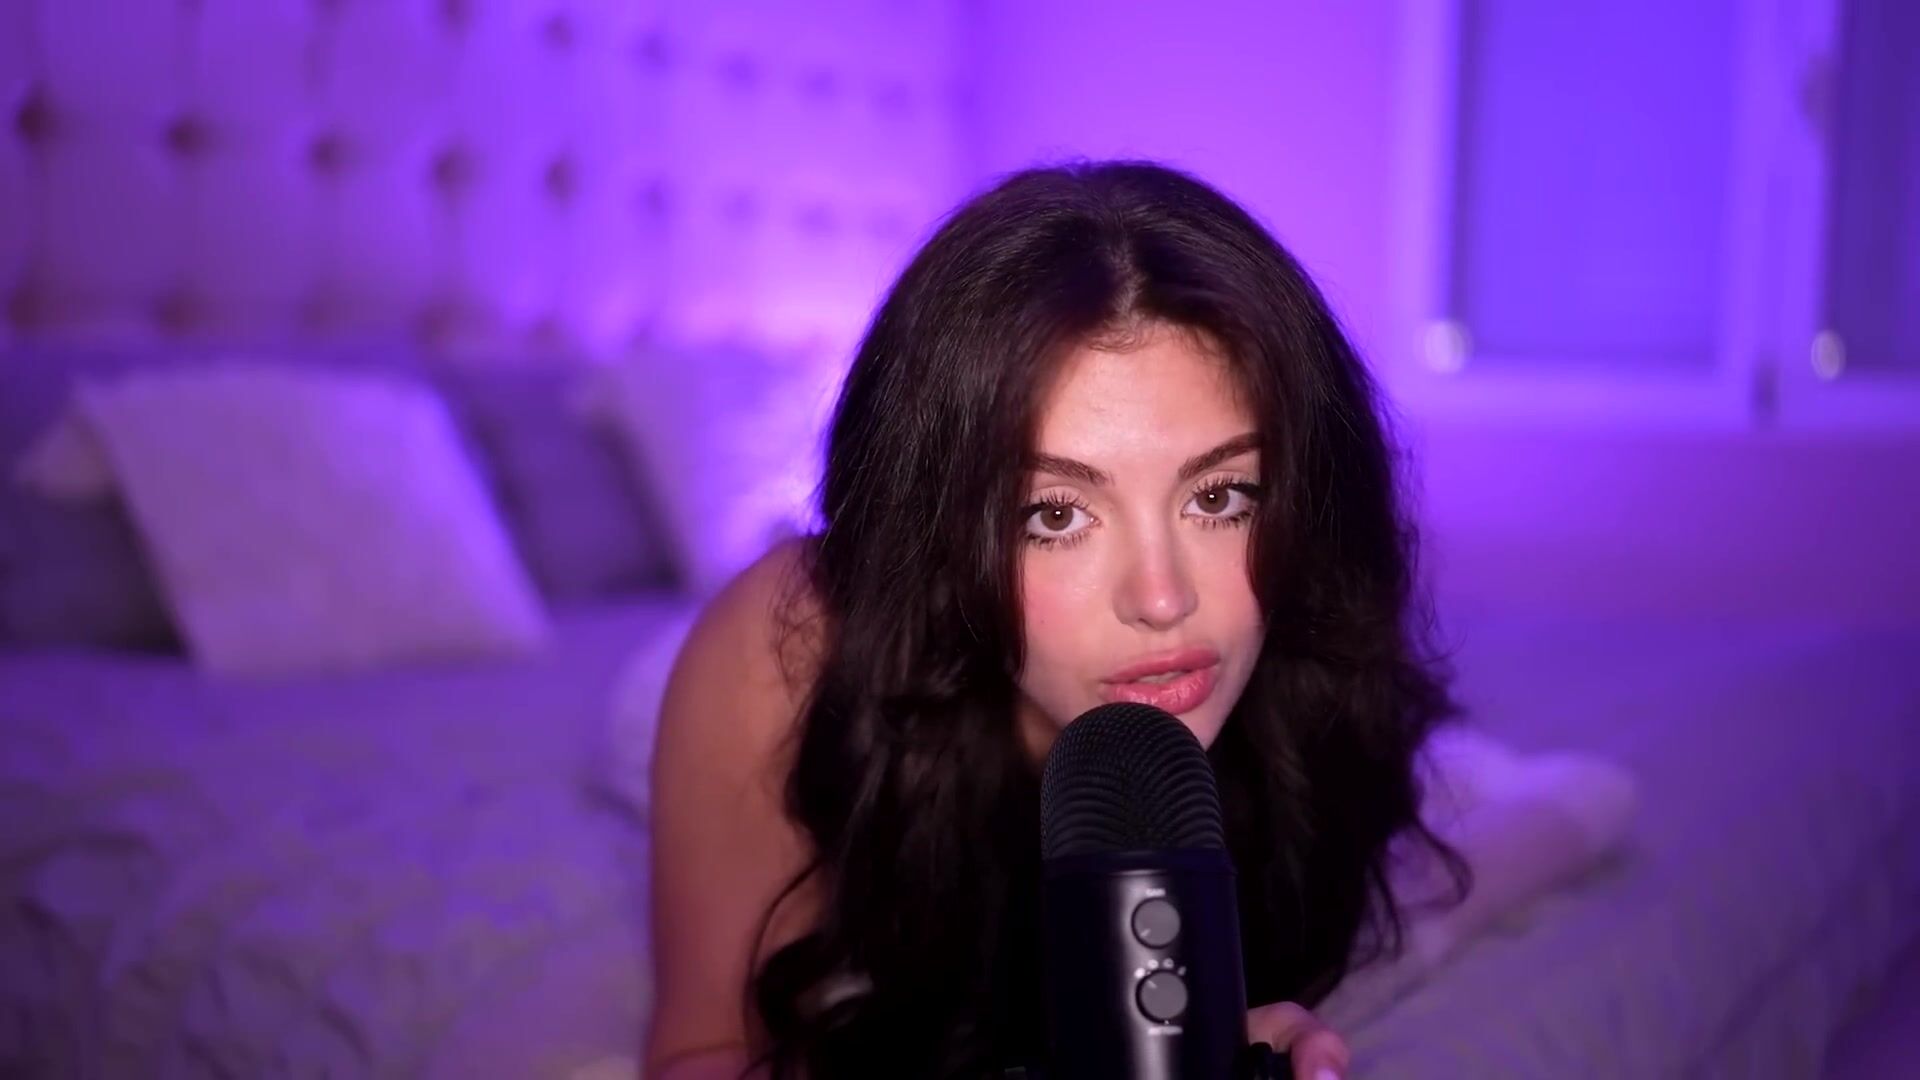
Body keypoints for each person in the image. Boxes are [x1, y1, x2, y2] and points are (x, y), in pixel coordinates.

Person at [644, 160, 1469, 1079]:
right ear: (936, 530)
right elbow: (701, 1052)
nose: (1163, 599)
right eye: (1055, 515)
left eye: (1220, 497)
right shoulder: (788, 647)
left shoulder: (1320, 679)